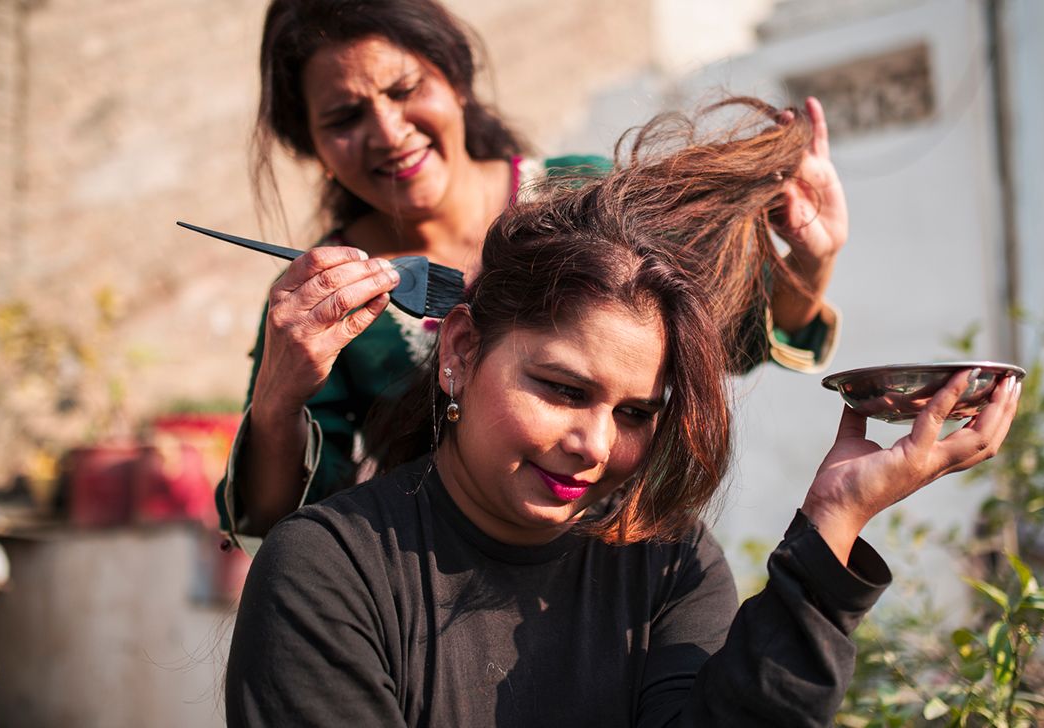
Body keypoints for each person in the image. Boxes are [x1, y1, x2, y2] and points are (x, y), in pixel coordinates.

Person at [223, 98, 1022, 727]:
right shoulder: (327, 575)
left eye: (637, 412)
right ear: (460, 351)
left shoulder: (668, 561)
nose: (594, 446)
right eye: (563, 390)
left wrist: (833, 527)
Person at [216, 0, 849, 552]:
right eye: (345, 118)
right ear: (312, 148)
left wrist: (810, 260)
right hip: (437, 590)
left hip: (617, 559)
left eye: (405, 89)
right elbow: (279, 523)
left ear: (457, 77)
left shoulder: (580, 190)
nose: (388, 131)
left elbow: (721, 342)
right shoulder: (322, 297)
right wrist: (277, 397)